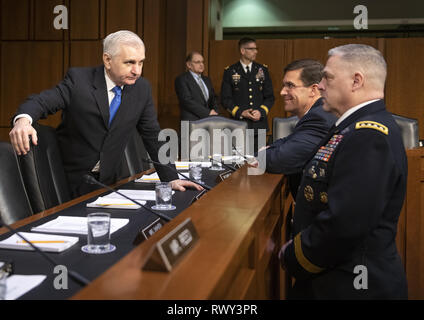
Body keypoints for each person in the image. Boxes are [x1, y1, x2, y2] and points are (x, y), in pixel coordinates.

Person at [280, 44, 408, 299]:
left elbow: (345, 224)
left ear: (356, 81)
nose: (322, 86)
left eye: (327, 77)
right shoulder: (349, 128)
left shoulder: (368, 135)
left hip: (351, 285)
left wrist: (294, 255)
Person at [9, 30, 202, 198]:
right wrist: (23, 121)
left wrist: (171, 179)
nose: (137, 71)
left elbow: (152, 135)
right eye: (129, 63)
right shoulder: (79, 80)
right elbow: (41, 101)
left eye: (141, 63)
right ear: (107, 60)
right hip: (69, 181)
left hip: (108, 182)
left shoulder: (141, 89)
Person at [254, 59, 336, 197]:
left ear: (313, 90)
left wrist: (262, 154)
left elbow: (281, 159)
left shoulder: (320, 117)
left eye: (290, 85)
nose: (282, 92)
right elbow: (289, 140)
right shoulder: (316, 114)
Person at [221, 37, 274, 153]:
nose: (256, 51)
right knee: (238, 161)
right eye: (252, 49)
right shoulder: (230, 71)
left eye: (256, 49)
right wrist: (241, 112)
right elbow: (225, 99)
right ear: (242, 51)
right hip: (238, 124)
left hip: (259, 124)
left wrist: (261, 111)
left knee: (258, 162)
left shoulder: (262, 70)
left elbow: (270, 97)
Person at [175, 52, 218, 121]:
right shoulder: (182, 79)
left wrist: (215, 112)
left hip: (209, 120)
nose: (201, 64)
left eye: (202, 62)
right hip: (191, 122)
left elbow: (213, 99)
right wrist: (207, 113)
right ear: (189, 65)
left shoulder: (207, 80)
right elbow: (187, 101)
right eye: (197, 62)